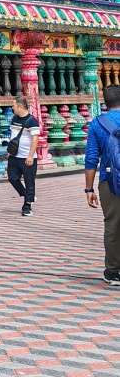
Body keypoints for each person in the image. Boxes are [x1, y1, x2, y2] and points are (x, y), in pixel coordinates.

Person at [84, 84, 120, 286]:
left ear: (105, 102)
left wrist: (89, 189)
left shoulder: (98, 124)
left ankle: (114, 272)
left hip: (110, 181)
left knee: (113, 225)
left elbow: (91, 159)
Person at [7, 95, 39, 217]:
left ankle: (27, 206)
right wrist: (9, 150)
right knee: (12, 178)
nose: (12, 107)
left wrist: (30, 156)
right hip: (14, 155)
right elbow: (13, 135)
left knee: (29, 181)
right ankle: (27, 196)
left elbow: (35, 139)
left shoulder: (32, 121)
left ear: (20, 106)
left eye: (13, 105)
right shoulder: (14, 119)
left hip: (27, 157)